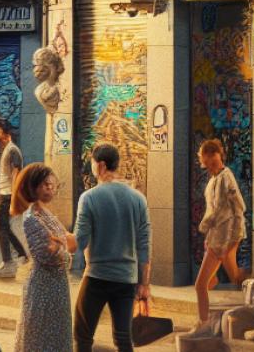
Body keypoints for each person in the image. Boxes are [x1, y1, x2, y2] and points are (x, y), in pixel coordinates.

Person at [74, 143, 152, 352]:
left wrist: (62, 242)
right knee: (124, 339)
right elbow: (144, 245)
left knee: (82, 336)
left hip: (96, 277)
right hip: (126, 279)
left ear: (100, 166)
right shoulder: (138, 199)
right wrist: (144, 283)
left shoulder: (89, 198)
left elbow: (79, 241)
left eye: (92, 164)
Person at [11, 163, 74, 352]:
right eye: (46, 185)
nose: (50, 189)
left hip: (57, 287)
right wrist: (64, 249)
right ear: (33, 187)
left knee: (55, 340)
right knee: (40, 341)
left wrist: (62, 248)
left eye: (52, 185)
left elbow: (66, 246)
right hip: (44, 288)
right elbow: (48, 255)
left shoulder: (45, 213)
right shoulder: (31, 217)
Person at [195, 138, 248, 326]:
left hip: (224, 239)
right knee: (234, 278)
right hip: (217, 238)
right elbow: (213, 212)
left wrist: (232, 240)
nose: (210, 164)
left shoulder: (226, 177)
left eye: (213, 160)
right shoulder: (214, 180)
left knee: (200, 285)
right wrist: (209, 236)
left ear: (217, 156)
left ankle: (203, 324)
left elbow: (239, 208)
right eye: (207, 161)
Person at [0, 120, 26, 278]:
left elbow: (17, 173)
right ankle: (22, 255)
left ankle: (8, 263)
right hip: (4, 192)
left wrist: (15, 198)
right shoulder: (8, 149)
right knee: (3, 226)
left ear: (5, 133)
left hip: (7, 194)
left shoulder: (13, 150)